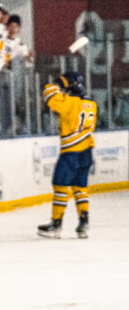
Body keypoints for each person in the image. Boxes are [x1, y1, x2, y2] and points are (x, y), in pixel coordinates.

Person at [38, 72, 97, 239]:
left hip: (71, 151)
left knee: (60, 186)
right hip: (87, 150)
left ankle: (56, 224)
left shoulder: (69, 102)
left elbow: (48, 94)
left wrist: (57, 83)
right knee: (80, 187)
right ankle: (84, 222)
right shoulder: (91, 103)